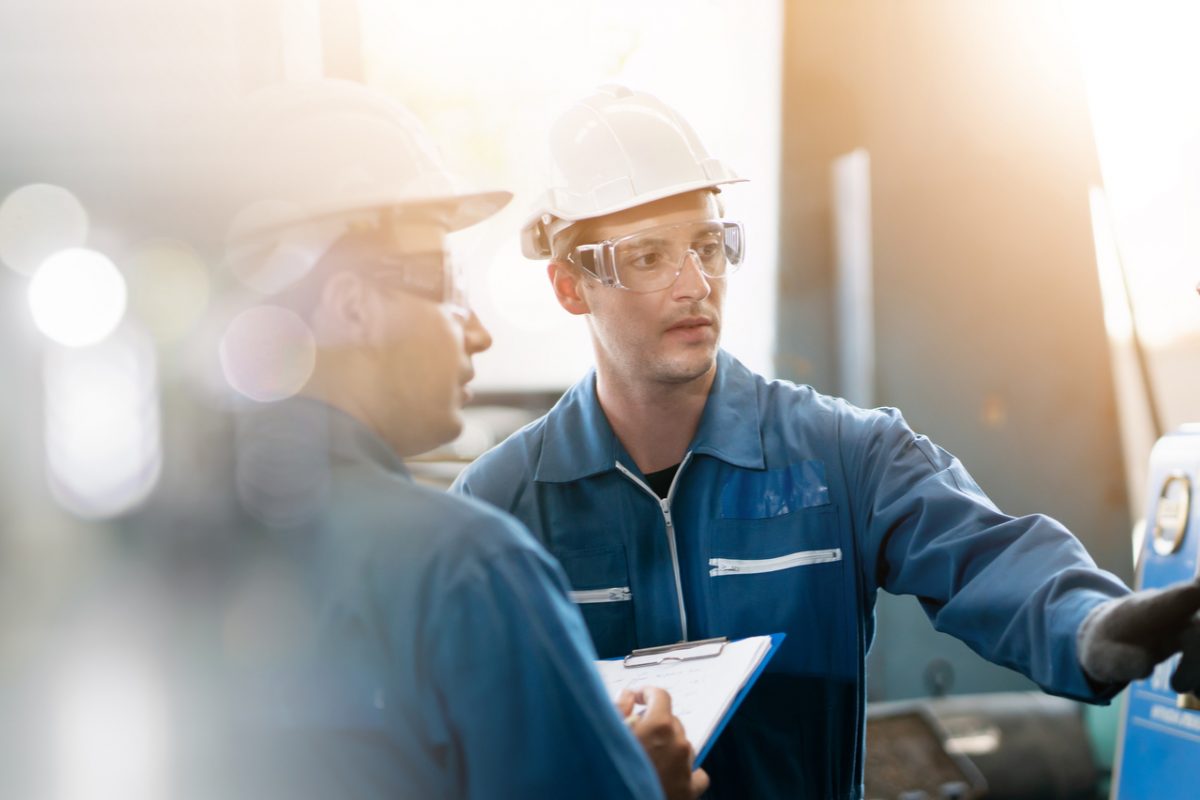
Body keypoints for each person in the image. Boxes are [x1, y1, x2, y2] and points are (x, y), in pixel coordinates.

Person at [451, 85, 1200, 799]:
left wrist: (1094, 626)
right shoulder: (500, 510)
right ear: (570, 286)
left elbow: (986, 554)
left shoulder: (842, 456)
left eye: (709, 247)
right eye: (649, 257)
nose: (694, 285)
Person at [210, 79, 706, 800]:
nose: (478, 330)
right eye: (445, 285)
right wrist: (640, 786)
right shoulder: (468, 567)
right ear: (352, 307)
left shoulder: (164, 553)